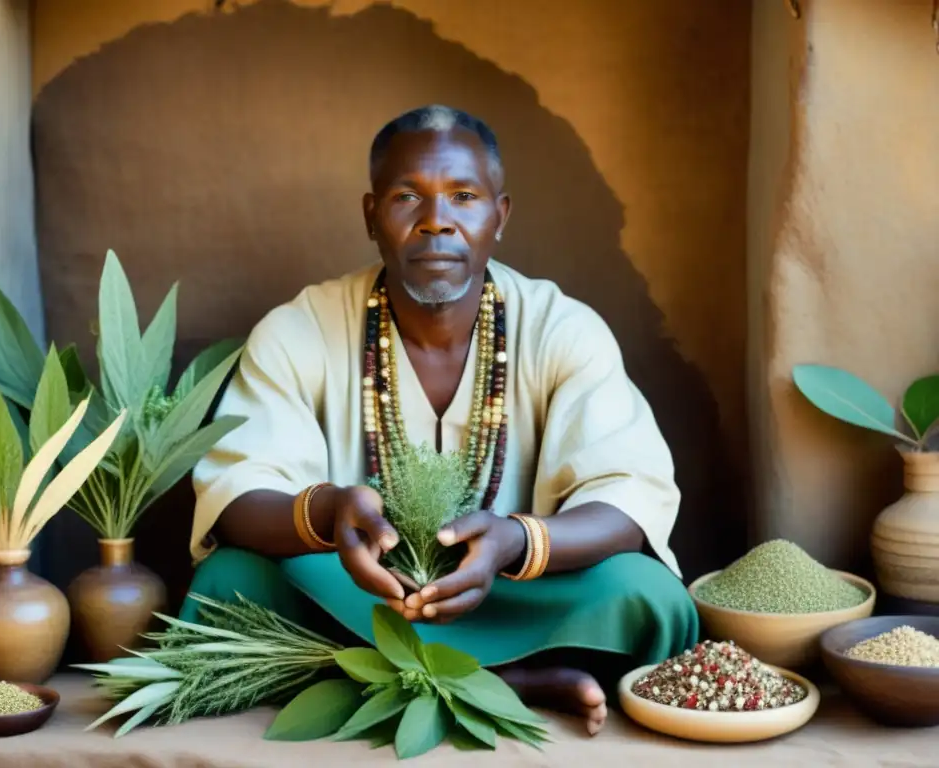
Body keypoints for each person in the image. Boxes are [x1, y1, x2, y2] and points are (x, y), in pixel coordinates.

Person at [183, 104, 699, 736]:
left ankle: (410, 680)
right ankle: (511, 682)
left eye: (463, 196)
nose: (437, 223)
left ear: (499, 216)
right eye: (407, 198)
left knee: (652, 596)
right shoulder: (302, 328)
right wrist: (331, 513)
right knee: (228, 580)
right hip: (360, 596)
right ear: (372, 216)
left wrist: (515, 542)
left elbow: (628, 495)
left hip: (517, 595)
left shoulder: (562, 328)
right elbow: (236, 494)